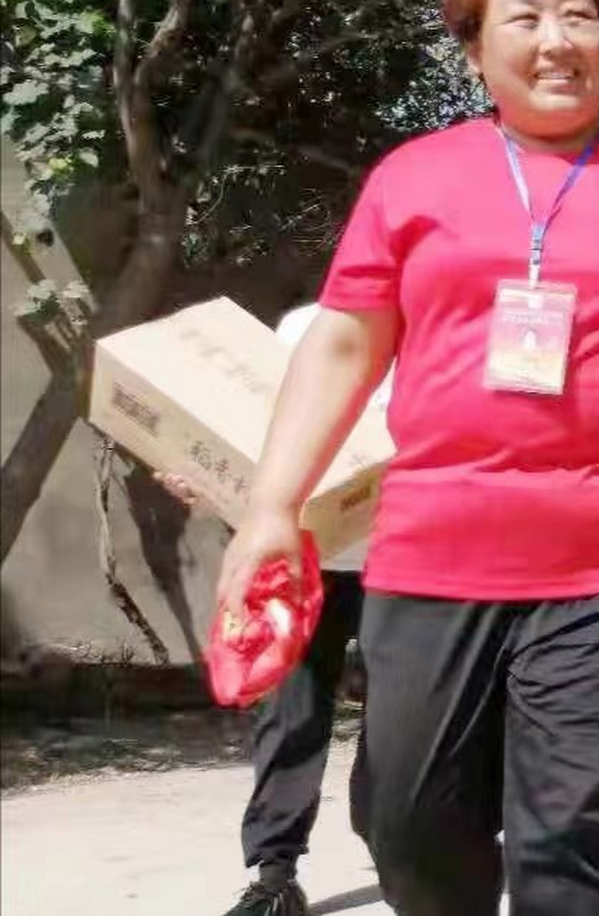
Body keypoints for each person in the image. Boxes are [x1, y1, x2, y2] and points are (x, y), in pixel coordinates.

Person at [212, 0, 599, 916]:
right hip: (434, 553)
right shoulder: (412, 178)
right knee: (405, 823)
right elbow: (344, 345)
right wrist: (274, 504)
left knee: (575, 845)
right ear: (476, 51)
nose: (557, 38)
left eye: (579, 16)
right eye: (524, 17)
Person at [155, 305, 387, 916]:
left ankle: (398, 840)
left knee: (405, 719)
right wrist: (207, 479)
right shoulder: (300, 330)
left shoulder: (439, 328)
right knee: (290, 715)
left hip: (406, 556)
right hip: (305, 559)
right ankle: (274, 874)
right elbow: (253, 435)